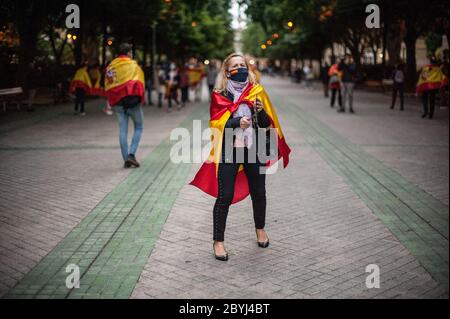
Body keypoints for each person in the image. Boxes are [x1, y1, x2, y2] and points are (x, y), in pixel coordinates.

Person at [189, 53, 291, 261]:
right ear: (227, 72)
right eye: (234, 66)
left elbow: (265, 124)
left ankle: (260, 229)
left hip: (256, 147)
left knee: (259, 192)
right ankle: (218, 242)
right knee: (224, 195)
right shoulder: (220, 95)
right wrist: (236, 123)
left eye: (242, 65)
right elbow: (216, 124)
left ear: (248, 68)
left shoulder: (257, 92)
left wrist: (260, 113)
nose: (239, 68)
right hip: (230, 147)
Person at [105, 43, 145, 168]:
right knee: (138, 127)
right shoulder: (133, 65)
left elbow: (108, 84)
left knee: (123, 130)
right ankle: (131, 155)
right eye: (131, 52)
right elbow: (140, 84)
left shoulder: (111, 67)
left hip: (118, 103)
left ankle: (125, 158)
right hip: (132, 103)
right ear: (128, 53)